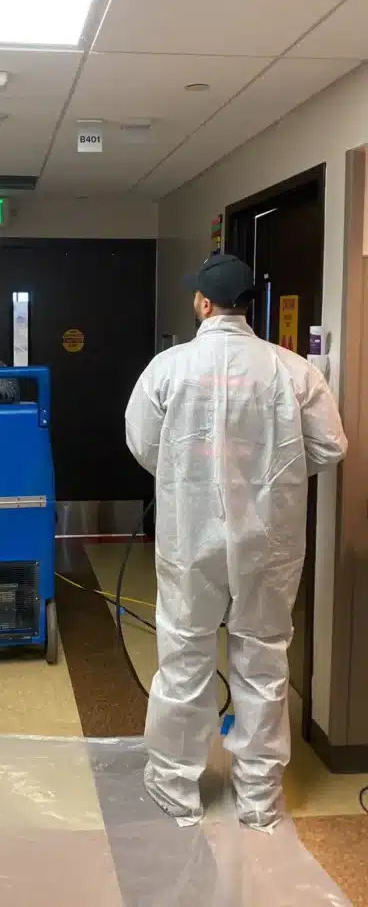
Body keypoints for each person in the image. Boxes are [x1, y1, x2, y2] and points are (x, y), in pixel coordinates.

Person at [125, 254, 347, 831]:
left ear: (202, 303)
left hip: (189, 536)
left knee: (184, 653)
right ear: (250, 305)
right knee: (263, 659)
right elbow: (329, 449)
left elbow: (144, 445)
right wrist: (273, 477)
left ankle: (177, 789)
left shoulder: (168, 368)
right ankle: (257, 799)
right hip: (267, 540)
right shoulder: (294, 371)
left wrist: (189, 473)